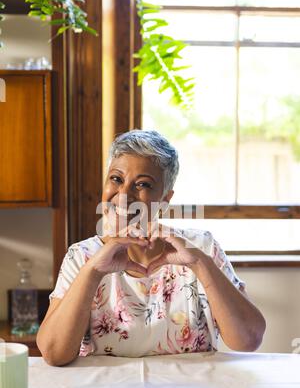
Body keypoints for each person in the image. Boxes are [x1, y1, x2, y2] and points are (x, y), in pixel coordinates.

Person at [37, 130, 266, 366]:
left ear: (165, 198)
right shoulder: (82, 256)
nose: (124, 195)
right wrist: (93, 272)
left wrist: (199, 263)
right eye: (116, 179)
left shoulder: (201, 248)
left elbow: (248, 341)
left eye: (143, 184)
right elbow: (54, 353)